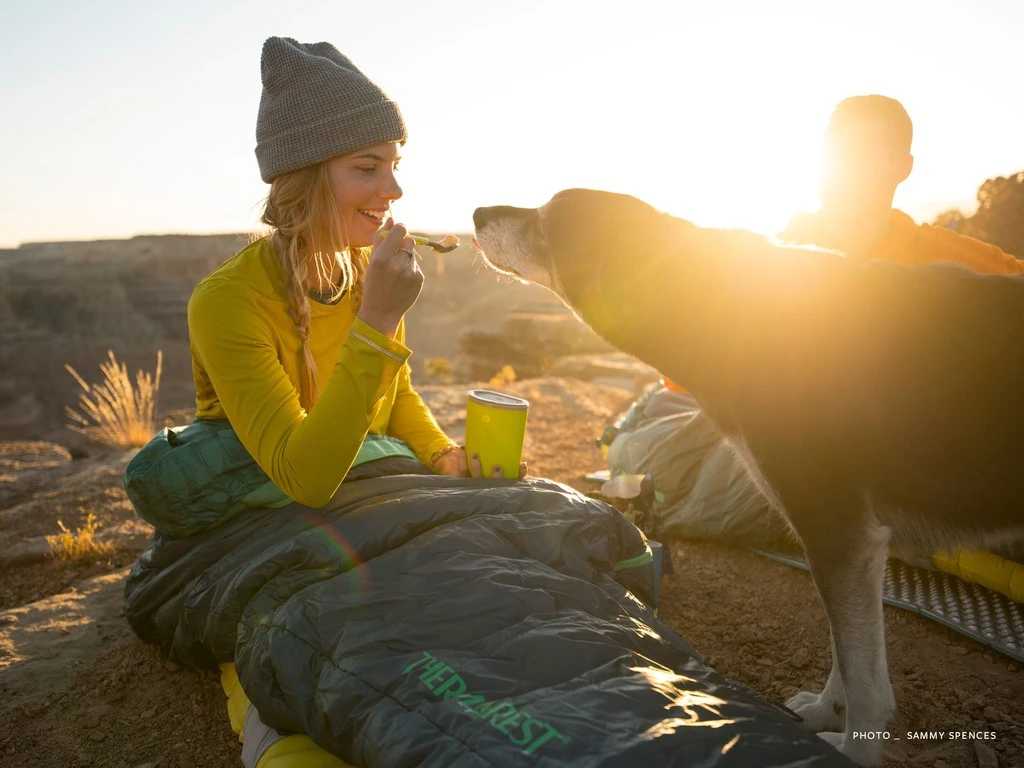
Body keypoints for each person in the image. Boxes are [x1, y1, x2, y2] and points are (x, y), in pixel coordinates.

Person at [187, 37, 521, 509]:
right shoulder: (228, 301)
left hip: (366, 489)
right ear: (303, 178)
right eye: (367, 168)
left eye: (395, 165)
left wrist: (442, 454)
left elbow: (394, 395)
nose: (394, 189)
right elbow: (304, 480)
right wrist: (378, 320)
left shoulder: (367, 271)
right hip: (264, 514)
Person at [782, 94, 1023, 274]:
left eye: (861, 156)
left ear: (903, 168)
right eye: (833, 154)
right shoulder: (779, 256)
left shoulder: (942, 254)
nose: (841, 170)